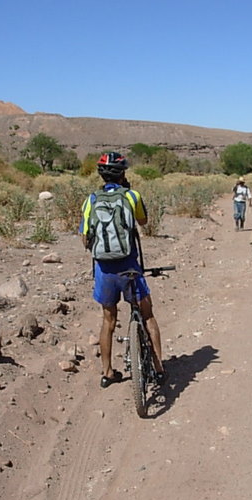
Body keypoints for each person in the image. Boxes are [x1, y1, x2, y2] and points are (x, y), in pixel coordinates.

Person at [80, 152, 166, 388]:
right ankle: (158, 368)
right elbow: (144, 221)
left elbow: (83, 237)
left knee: (108, 320)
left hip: (104, 269)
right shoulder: (132, 196)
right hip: (130, 266)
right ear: (123, 173)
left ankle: (107, 372)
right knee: (147, 315)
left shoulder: (91, 200)